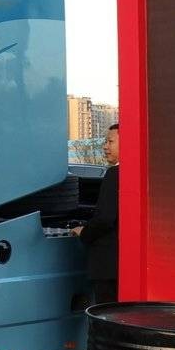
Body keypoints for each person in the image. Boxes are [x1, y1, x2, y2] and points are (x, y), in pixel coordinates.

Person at [75, 123, 119, 304]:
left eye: (110, 142)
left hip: (107, 266)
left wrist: (83, 233)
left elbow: (105, 218)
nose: (105, 147)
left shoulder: (114, 174)